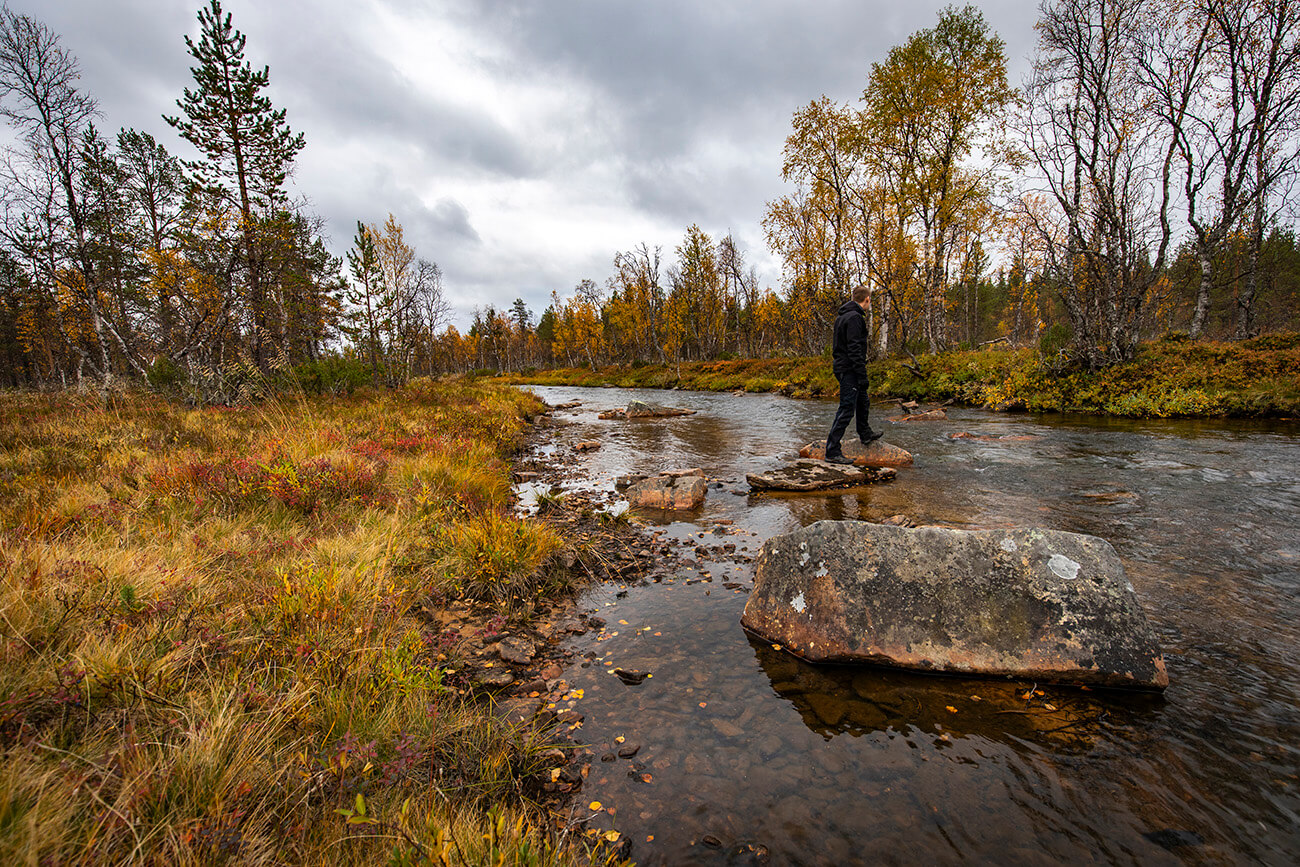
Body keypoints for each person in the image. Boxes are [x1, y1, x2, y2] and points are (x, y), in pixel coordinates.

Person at [825, 284, 883, 464]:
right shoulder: (855, 318)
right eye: (869, 301)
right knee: (847, 408)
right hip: (849, 369)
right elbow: (854, 349)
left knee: (863, 400)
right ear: (867, 300)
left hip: (844, 367)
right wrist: (861, 374)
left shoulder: (843, 316)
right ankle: (832, 451)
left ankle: (865, 433)